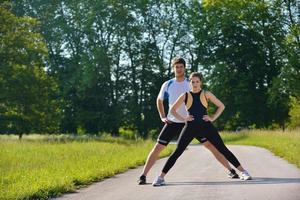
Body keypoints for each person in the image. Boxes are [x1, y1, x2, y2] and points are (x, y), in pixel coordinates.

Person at [138, 58, 240, 185]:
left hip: (192, 123)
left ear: (184, 68)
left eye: (181, 67)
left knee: (211, 146)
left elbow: (203, 98)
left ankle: (231, 170)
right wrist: (162, 116)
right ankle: (143, 175)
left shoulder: (191, 83)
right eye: (177, 67)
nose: (179, 69)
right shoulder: (167, 84)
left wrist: (208, 116)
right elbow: (159, 100)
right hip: (173, 122)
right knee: (158, 147)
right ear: (173, 68)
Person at [152, 72, 252, 186]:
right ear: (189, 82)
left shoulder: (206, 94)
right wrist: (184, 118)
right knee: (177, 152)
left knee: (223, 149)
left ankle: (244, 172)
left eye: (197, 82)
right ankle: (160, 178)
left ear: (201, 82)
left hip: (206, 127)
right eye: (192, 82)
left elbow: (221, 106)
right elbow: (172, 110)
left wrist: (212, 117)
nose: (194, 84)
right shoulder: (185, 95)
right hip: (190, 127)